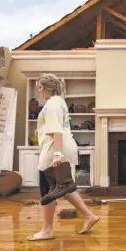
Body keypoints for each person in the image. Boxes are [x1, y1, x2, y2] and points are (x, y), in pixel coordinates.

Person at [27, 73, 99, 241]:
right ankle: (89, 216)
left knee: (48, 189)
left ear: (43, 88)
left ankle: (47, 230)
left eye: (39, 87)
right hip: (59, 147)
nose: (39, 91)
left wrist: (57, 154)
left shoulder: (52, 104)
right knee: (62, 187)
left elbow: (56, 130)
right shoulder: (59, 102)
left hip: (54, 150)